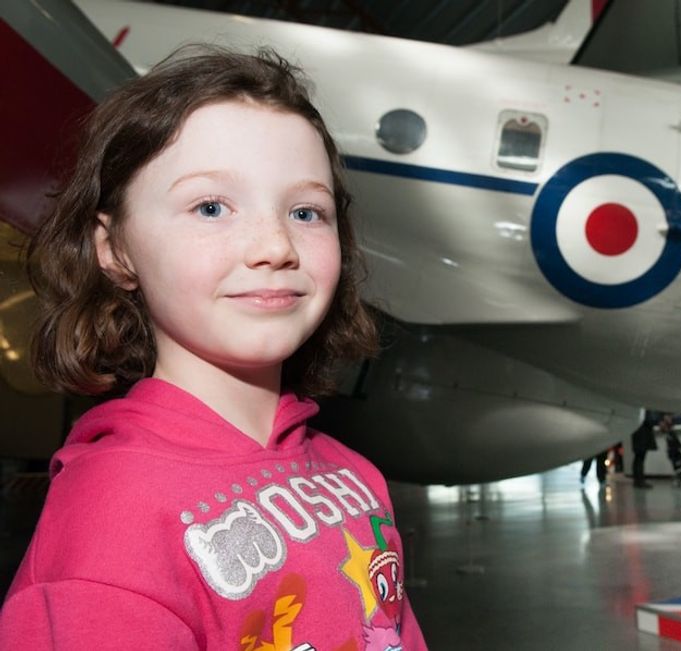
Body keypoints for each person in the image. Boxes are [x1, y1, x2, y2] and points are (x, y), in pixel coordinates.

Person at [0, 47, 426, 649]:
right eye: (210, 207)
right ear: (114, 249)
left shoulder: (353, 477)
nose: (276, 244)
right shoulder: (110, 524)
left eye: (306, 211)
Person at [630, 410, 658, 488]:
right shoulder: (644, 411)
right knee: (640, 459)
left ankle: (638, 480)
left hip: (638, 434)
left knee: (638, 459)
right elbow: (650, 420)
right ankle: (639, 480)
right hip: (643, 435)